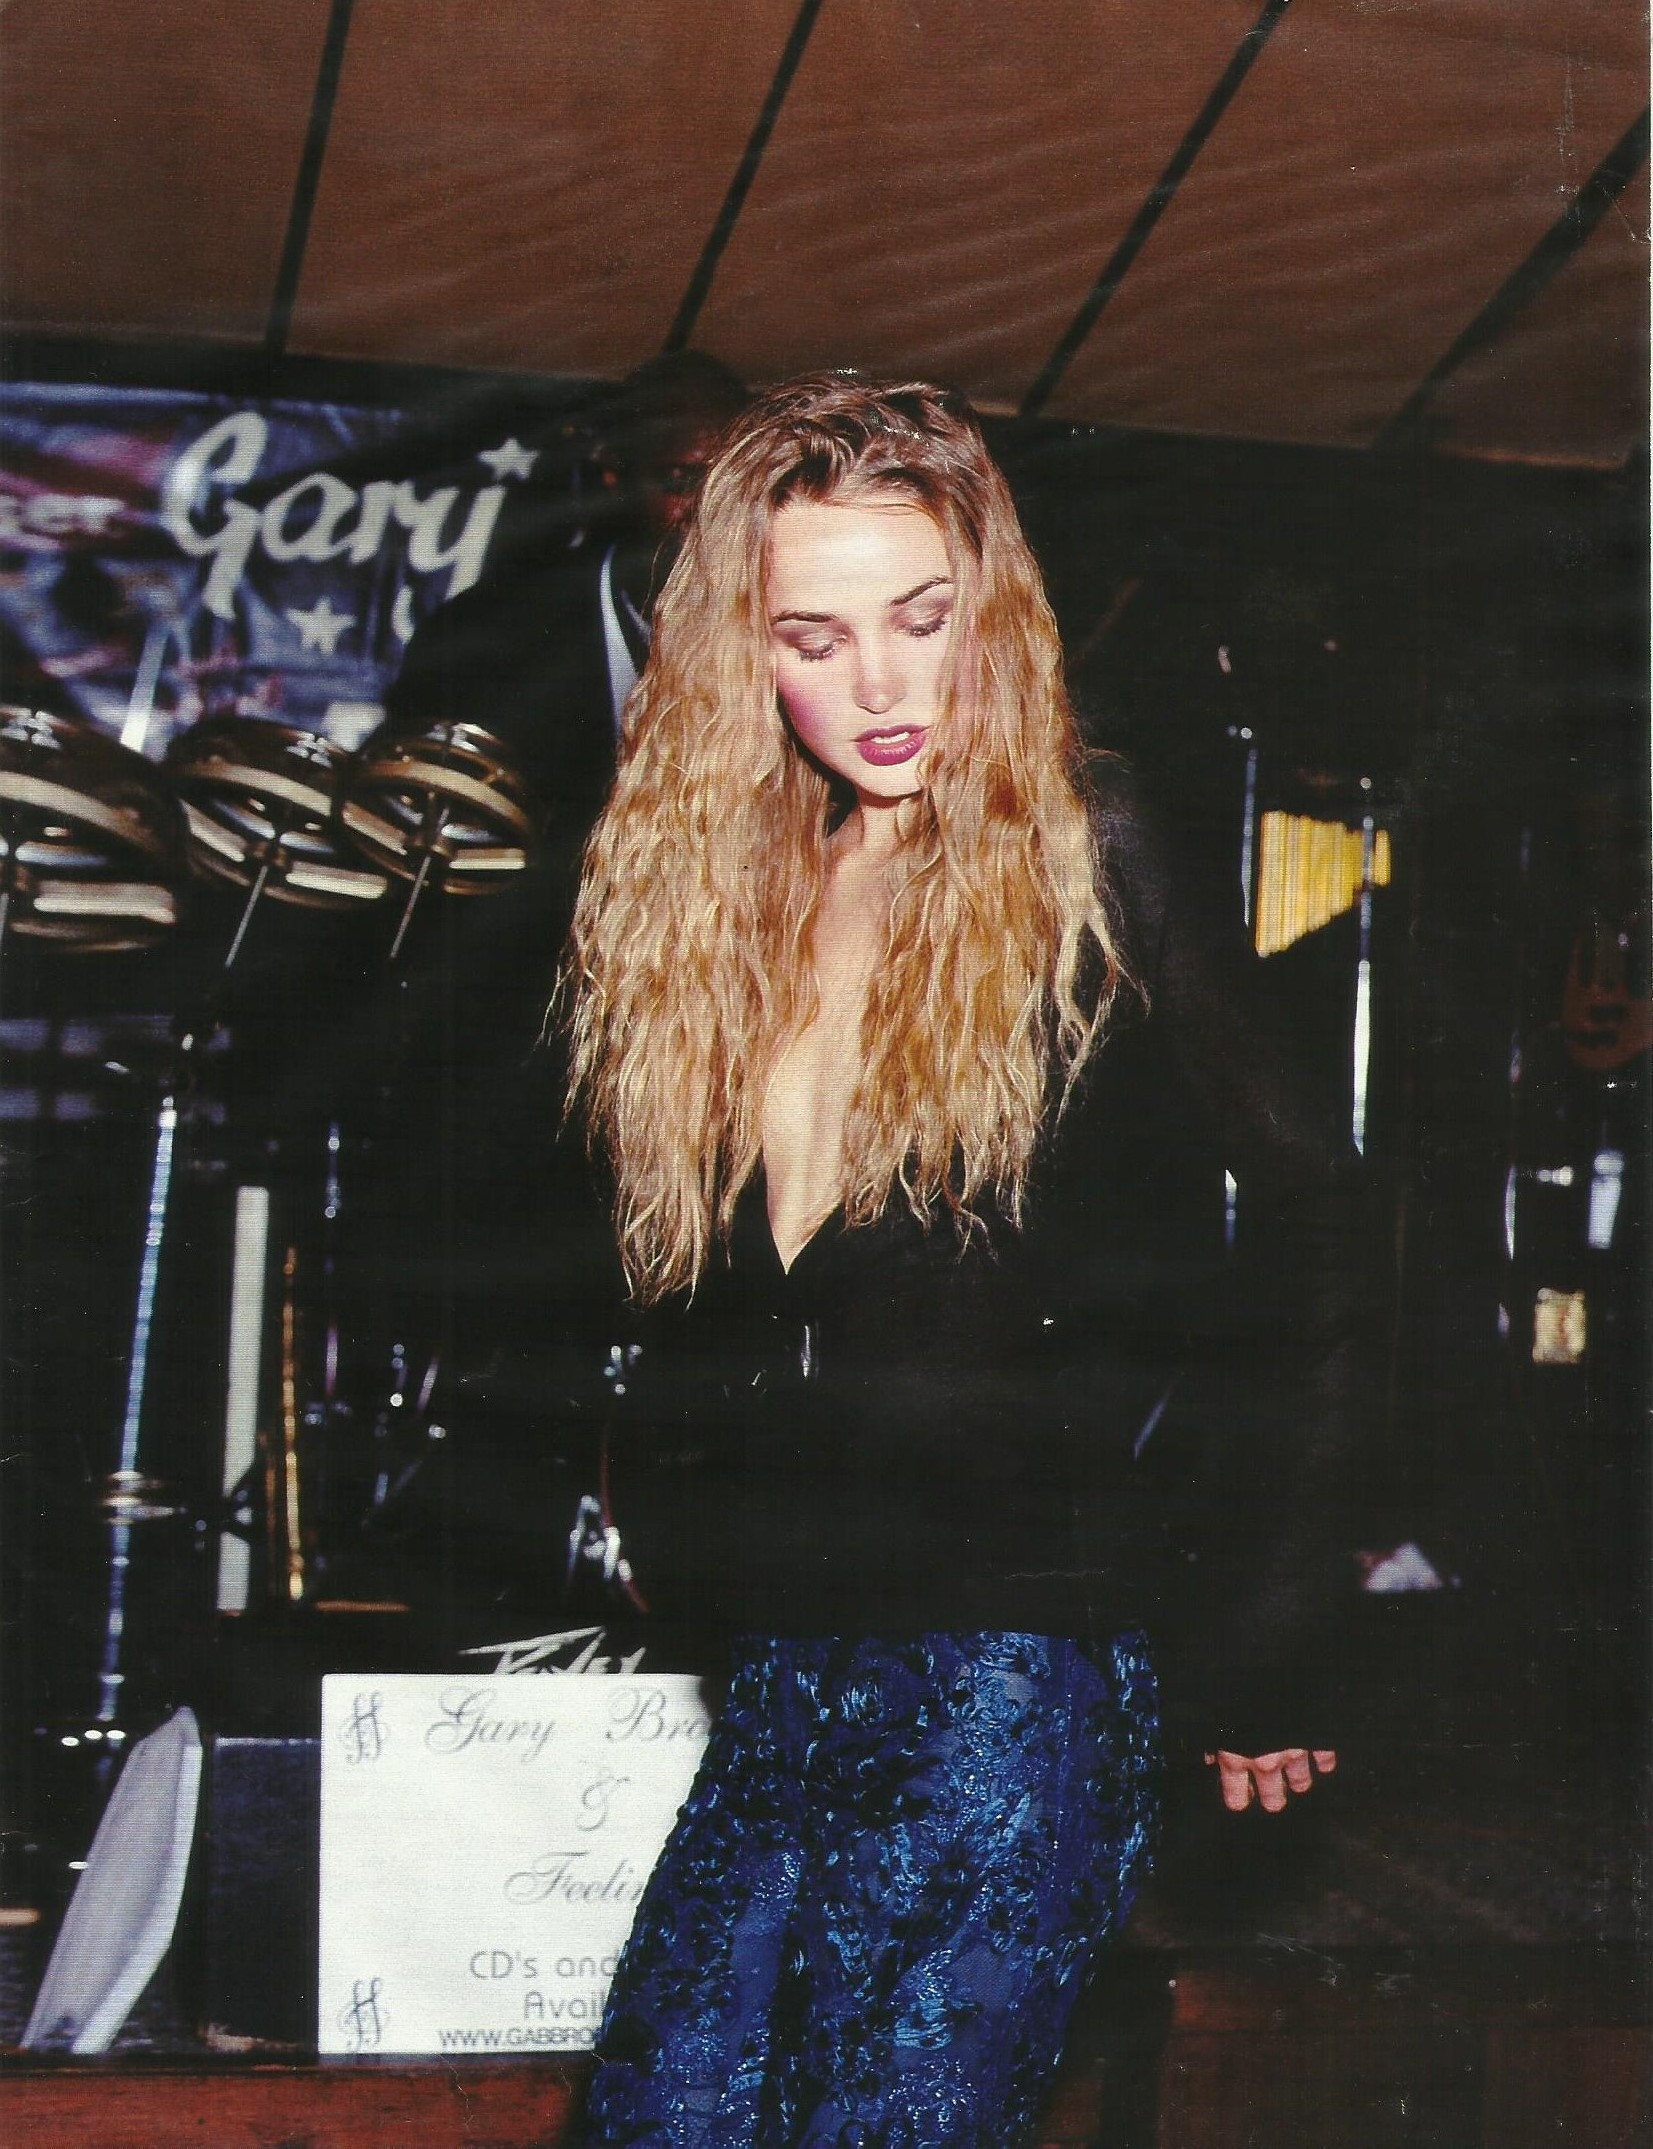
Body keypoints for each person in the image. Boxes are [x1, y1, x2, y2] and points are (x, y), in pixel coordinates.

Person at [563, 374, 1367, 2145]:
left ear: (990, 611)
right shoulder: (729, 889)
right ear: (740, 652)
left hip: (1012, 1674)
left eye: (922, 619)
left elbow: (1324, 1217)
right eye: (814, 636)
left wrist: (1271, 1620)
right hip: (779, 1672)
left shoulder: (1090, 842)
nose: (881, 685)